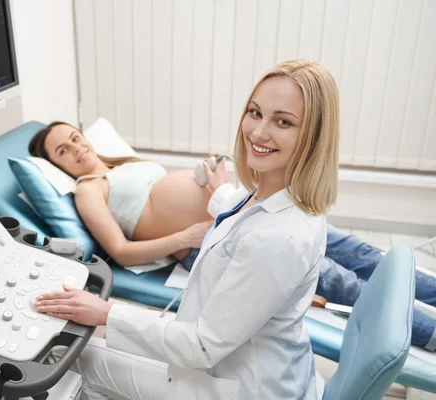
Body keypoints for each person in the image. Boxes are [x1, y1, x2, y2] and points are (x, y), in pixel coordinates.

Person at [32, 59, 338, 399]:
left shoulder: (278, 237)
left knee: (67, 357)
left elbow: (203, 346)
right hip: (248, 360)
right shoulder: (264, 198)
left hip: (242, 387)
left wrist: (107, 314)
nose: (258, 132)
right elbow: (120, 248)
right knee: (85, 352)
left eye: (283, 121)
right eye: (254, 113)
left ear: (313, 135)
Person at [27, 102, 436, 352]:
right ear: (57, 165)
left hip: (248, 205)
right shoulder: (89, 188)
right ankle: (430, 332)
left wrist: (209, 177)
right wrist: (187, 236)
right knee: (342, 281)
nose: (78, 148)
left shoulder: (122, 165)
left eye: (76, 137)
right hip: (223, 236)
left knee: (360, 252)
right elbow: (119, 250)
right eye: (64, 150)